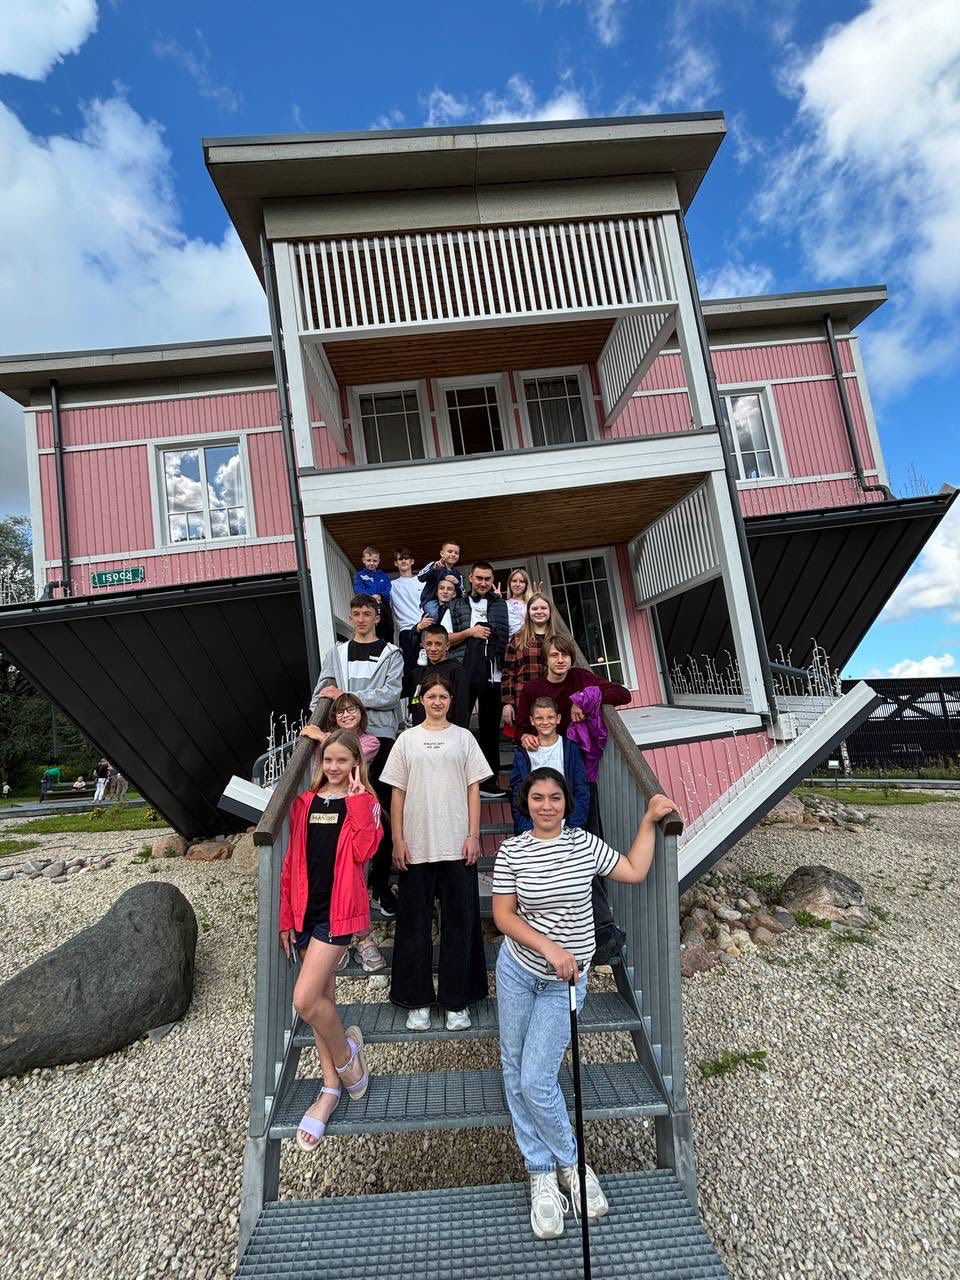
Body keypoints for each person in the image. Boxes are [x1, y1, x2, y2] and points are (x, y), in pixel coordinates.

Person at [493, 768, 676, 1239]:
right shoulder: (512, 851)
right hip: (519, 972)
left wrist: (648, 820)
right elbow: (503, 916)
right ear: (525, 802)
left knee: (536, 1079)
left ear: (566, 803)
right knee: (515, 1068)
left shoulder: (585, 845)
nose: (546, 805)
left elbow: (634, 870)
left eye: (554, 797)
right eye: (537, 797)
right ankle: (540, 1171)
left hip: (566, 982)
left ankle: (572, 1165)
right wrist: (548, 947)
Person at [279, 730, 383, 1150]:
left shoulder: (365, 802)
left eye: (343, 760)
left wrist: (356, 800)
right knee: (323, 1000)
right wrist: (286, 916)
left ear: (356, 762)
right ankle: (329, 1090)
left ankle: (347, 1061)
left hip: (339, 914)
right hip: (305, 910)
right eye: (329, 760)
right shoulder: (305, 802)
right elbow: (291, 861)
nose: (335, 767)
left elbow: (365, 850)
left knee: (305, 1000)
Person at [381, 673, 491, 1032]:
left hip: (457, 844)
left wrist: (474, 835)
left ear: (451, 700)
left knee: (460, 924)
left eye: (444, 696)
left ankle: (456, 1002)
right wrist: (397, 839)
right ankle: (417, 1002)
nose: (438, 702)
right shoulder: (406, 740)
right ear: (421, 700)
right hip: (416, 845)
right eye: (432, 696)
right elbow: (396, 793)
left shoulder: (464, 738)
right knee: (414, 925)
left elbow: (474, 790)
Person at [310, 594, 404, 919]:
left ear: (377, 617)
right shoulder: (336, 653)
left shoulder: (391, 653)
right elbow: (322, 693)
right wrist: (317, 726)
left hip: (381, 738)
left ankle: (379, 885)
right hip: (343, 742)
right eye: (356, 614)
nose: (361, 619)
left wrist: (348, 695)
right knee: (345, 812)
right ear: (350, 617)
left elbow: (391, 694)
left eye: (367, 613)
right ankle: (345, 886)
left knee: (382, 813)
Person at [302, 693, 386, 972]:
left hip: (354, 812)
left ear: (362, 713)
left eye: (352, 710)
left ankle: (364, 940)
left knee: (354, 885)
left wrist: (322, 737)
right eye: (340, 712)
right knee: (326, 880)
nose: (346, 715)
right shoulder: (322, 749)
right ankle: (335, 941)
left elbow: (352, 751)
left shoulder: (370, 742)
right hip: (327, 810)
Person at [446, 561, 510, 798]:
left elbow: (510, 634)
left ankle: (489, 782)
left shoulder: (501, 605)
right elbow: (445, 638)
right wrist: (470, 632)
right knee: (459, 726)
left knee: (490, 730)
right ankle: (459, 780)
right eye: (479, 578)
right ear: (471, 578)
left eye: (487, 579)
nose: (483, 583)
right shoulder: (456, 605)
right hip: (464, 673)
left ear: (492, 580)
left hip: (494, 673)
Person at [516, 634, 631, 744]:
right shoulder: (531, 688)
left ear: (571, 658)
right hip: (543, 749)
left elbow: (623, 694)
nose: (560, 660)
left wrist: (582, 699)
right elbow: (520, 729)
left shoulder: (580, 677)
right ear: (546, 659)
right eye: (554, 655)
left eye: (565, 655)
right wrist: (524, 737)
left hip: (575, 749)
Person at [509, 697, 588, 834]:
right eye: (539, 718)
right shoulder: (523, 754)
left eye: (550, 717)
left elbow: (581, 790)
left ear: (558, 719)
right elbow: (518, 794)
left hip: (567, 827)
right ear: (532, 721)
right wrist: (527, 830)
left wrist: (573, 828)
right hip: (533, 828)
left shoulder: (570, 749)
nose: (545, 722)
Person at [501, 593, 557, 731]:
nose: (539, 611)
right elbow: (508, 673)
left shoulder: (559, 639)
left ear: (550, 611)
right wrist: (507, 703)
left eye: (543, 608)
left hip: (554, 700)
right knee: (526, 740)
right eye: (535, 608)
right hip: (524, 701)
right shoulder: (517, 640)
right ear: (529, 612)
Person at [408, 625, 468, 728]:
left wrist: (460, 733)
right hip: (420, 731)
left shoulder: (457, 671)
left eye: (438, 644)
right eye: (429, 644)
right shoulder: (417, 673)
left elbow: (461, 707)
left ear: (447, 645)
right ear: (423, 645)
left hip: (447, 731)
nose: (433, 648)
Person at [390, 547, 425, 689]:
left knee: (429, 668)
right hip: (406, 631)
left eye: (406, 558)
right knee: (411, 670)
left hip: (425, 627)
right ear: (396, 563)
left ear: (412, 561)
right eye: (400, 558)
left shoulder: (422, 582)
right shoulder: (391, 586)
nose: (403, 561)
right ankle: (413, 701)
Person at [353, 545, 394, 643]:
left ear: (379, 561)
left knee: (389, 627)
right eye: (368, 560)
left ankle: (389, 646)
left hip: (383, 604)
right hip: (367, 605)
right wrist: (371, 596)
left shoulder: (384, 576)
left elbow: (387, 588)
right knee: (374, 628)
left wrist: (380, 596)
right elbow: (358, 588)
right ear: (363, 560)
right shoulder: (359, 575)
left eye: (375, 561)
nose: (371, 563)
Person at [417, 541, 464, 620]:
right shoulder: (434, 564)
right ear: (442, 553)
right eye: (450, 551)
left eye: (456, 553)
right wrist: (433, 569)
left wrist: (457, 582)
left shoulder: (457, 574)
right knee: (433, 614)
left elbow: (462, 594)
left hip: (449, 602)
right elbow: (420, 577)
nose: (453, 554)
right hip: (431, 600)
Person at [499, 568, 539, 637]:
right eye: (514, 581)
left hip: (532, 639)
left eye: (521, 581)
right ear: (509, 583)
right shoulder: (504, 604)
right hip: (512, 641)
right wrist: (497, 601)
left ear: (526, 585)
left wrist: (537, 601)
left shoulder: (531, 603)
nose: (517, 584)